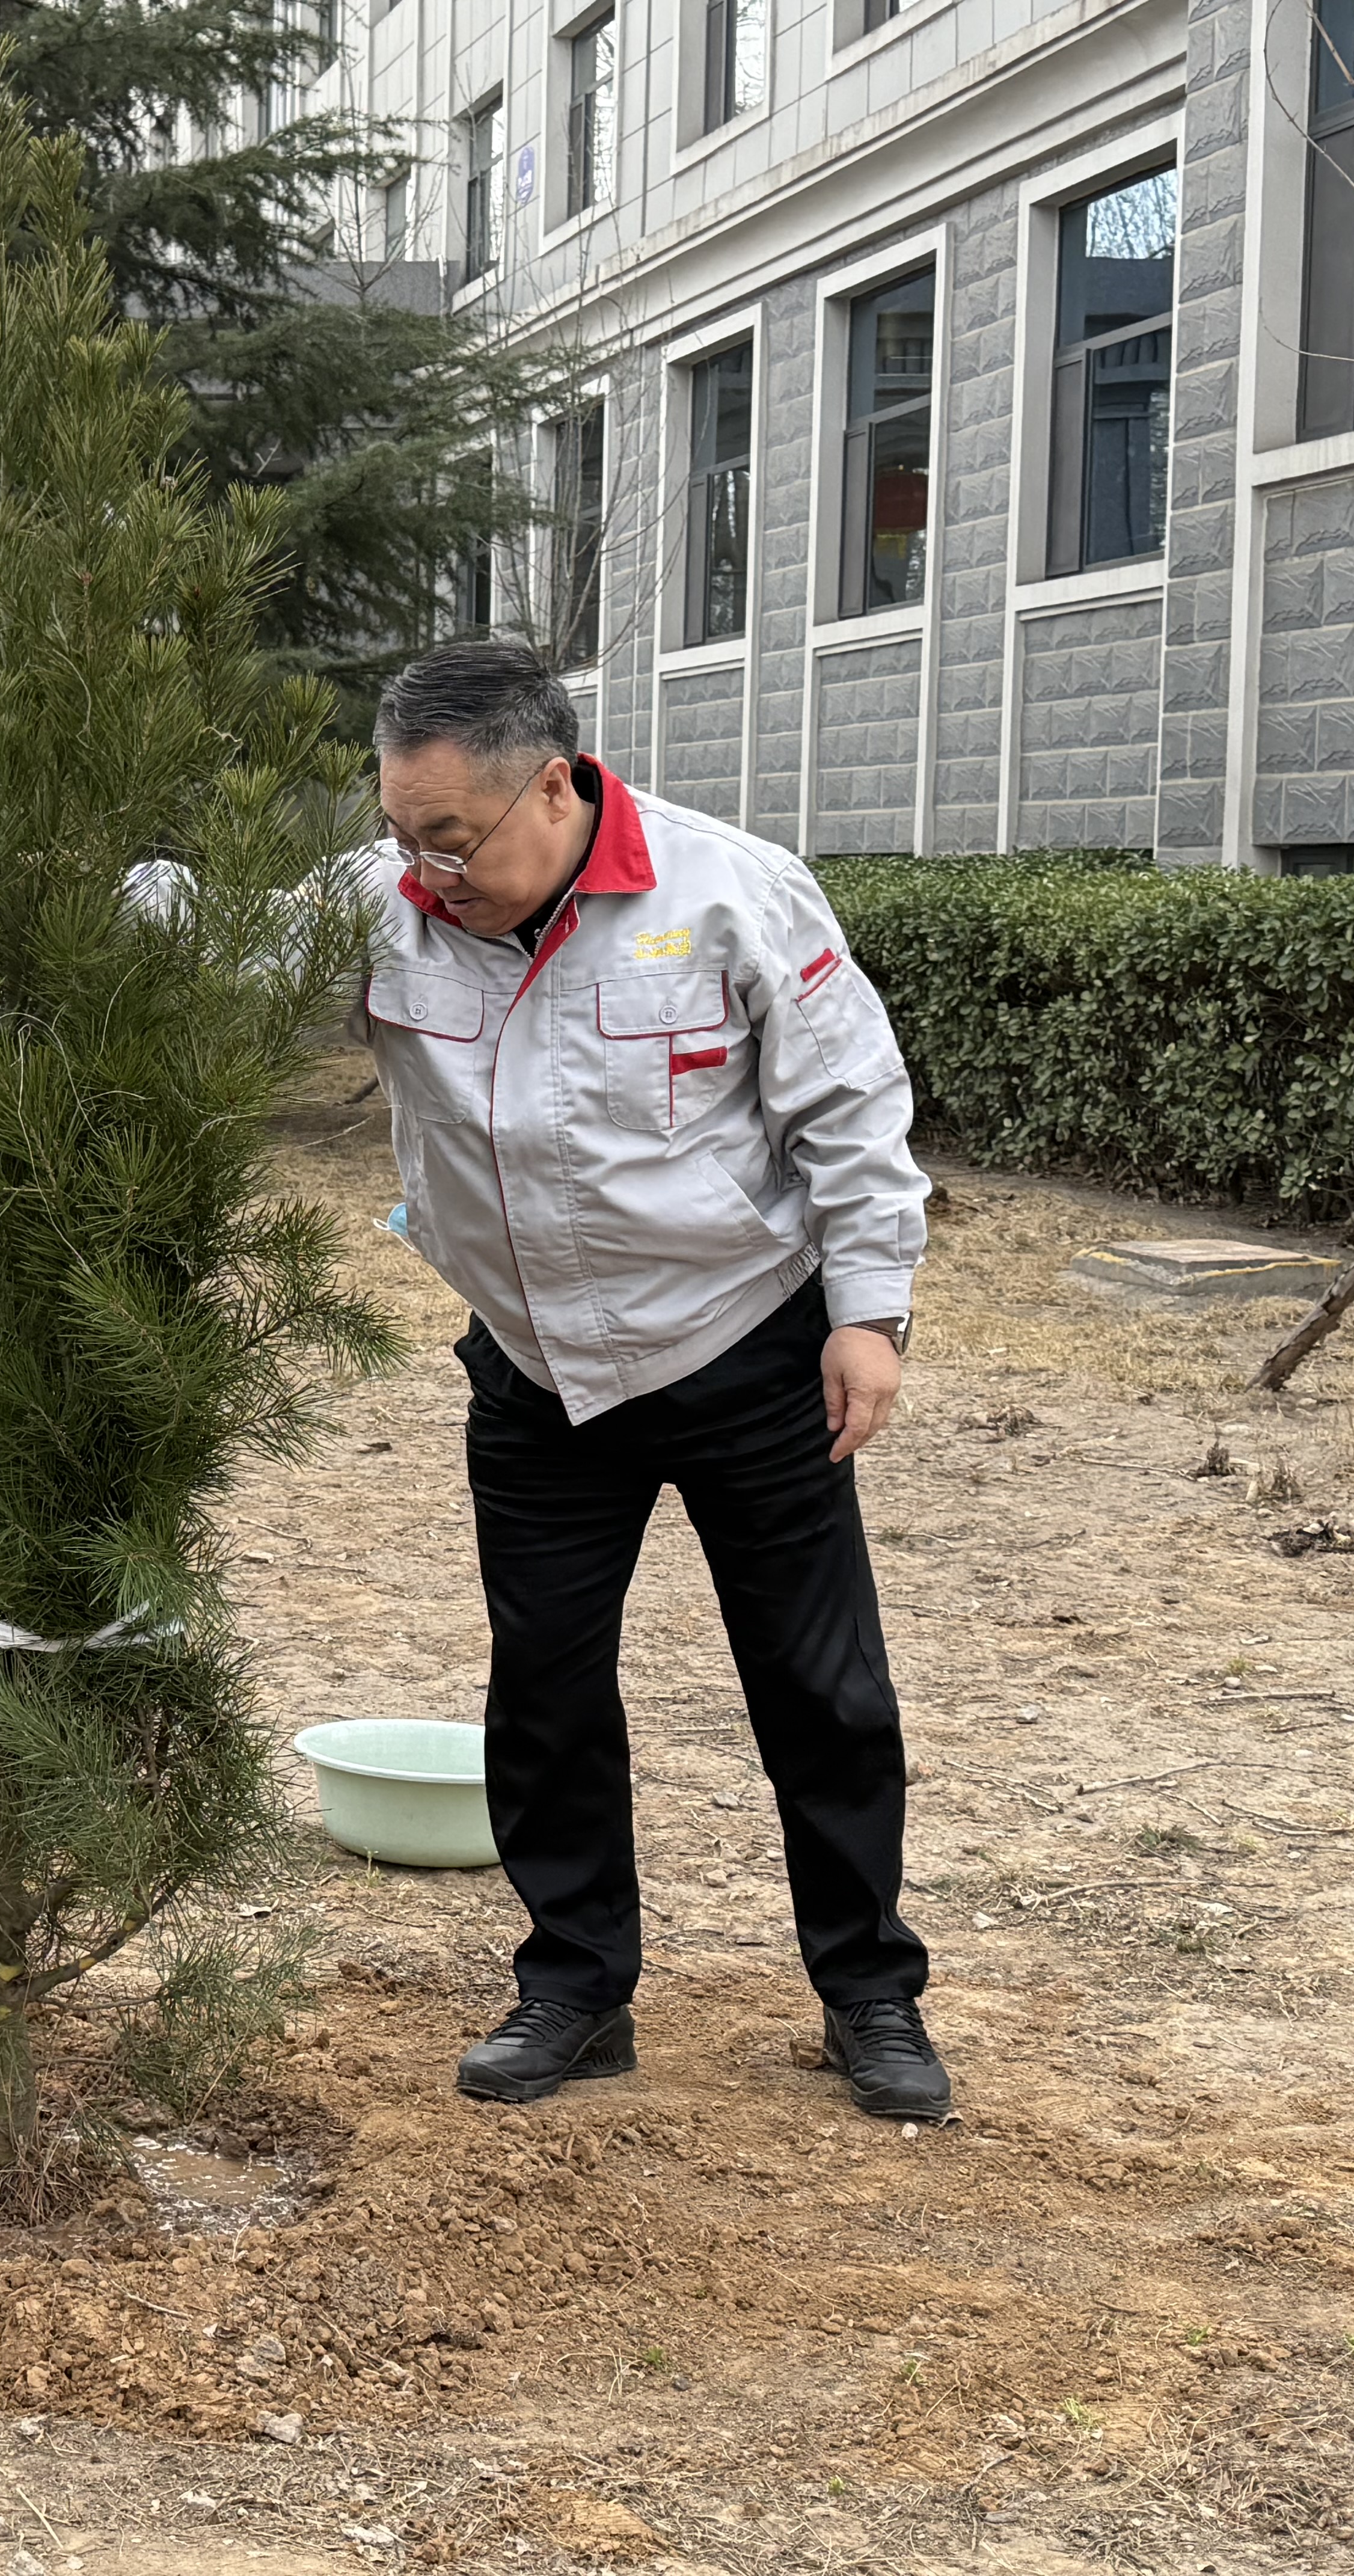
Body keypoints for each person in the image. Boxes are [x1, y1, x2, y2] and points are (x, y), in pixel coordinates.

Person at [354, 639, 948, 2122]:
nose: (426, 873)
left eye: (452, 839)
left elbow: (852, 1104)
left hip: (742, 1345)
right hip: (537, 1370)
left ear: (553, 785)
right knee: (543, 1684)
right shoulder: (387, 906)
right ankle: (573, 1988)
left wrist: (867, 1312)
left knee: (820, 1686)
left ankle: (869, 1996)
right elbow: (199, 916)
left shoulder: (728, 891)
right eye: (399, 834)